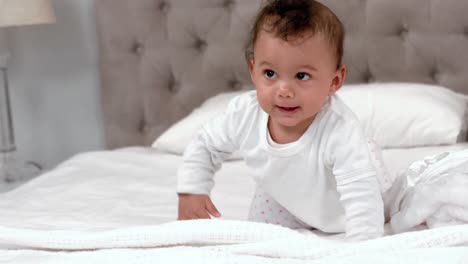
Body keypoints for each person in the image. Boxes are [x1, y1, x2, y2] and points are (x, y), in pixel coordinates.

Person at [176, 0, 393, 241]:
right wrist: (192, 190)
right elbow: (206, 144)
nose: (284, 91)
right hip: (285, 197)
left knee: (381, 201)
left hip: (340, 204)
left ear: (334, 81)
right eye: (270, 73)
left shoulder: (340, 131)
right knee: (256, 237)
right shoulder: (244, 114)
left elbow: (361, 196)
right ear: (253, 70)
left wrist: (363, 248)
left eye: (302, 76)